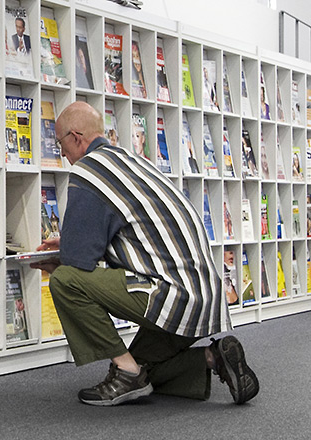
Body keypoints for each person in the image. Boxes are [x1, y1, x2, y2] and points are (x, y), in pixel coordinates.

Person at [34, 101, 259, 407]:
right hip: (207, 300)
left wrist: (56, 262)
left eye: (61, 145)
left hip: (170, 297)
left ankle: (127, 375)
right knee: (143, 368)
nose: (62, 154)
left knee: (65, 281)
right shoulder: (132, 161)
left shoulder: (89, 170)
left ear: (76, 137)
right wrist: (72, 241)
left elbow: (77, 261)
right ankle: (213, 356)